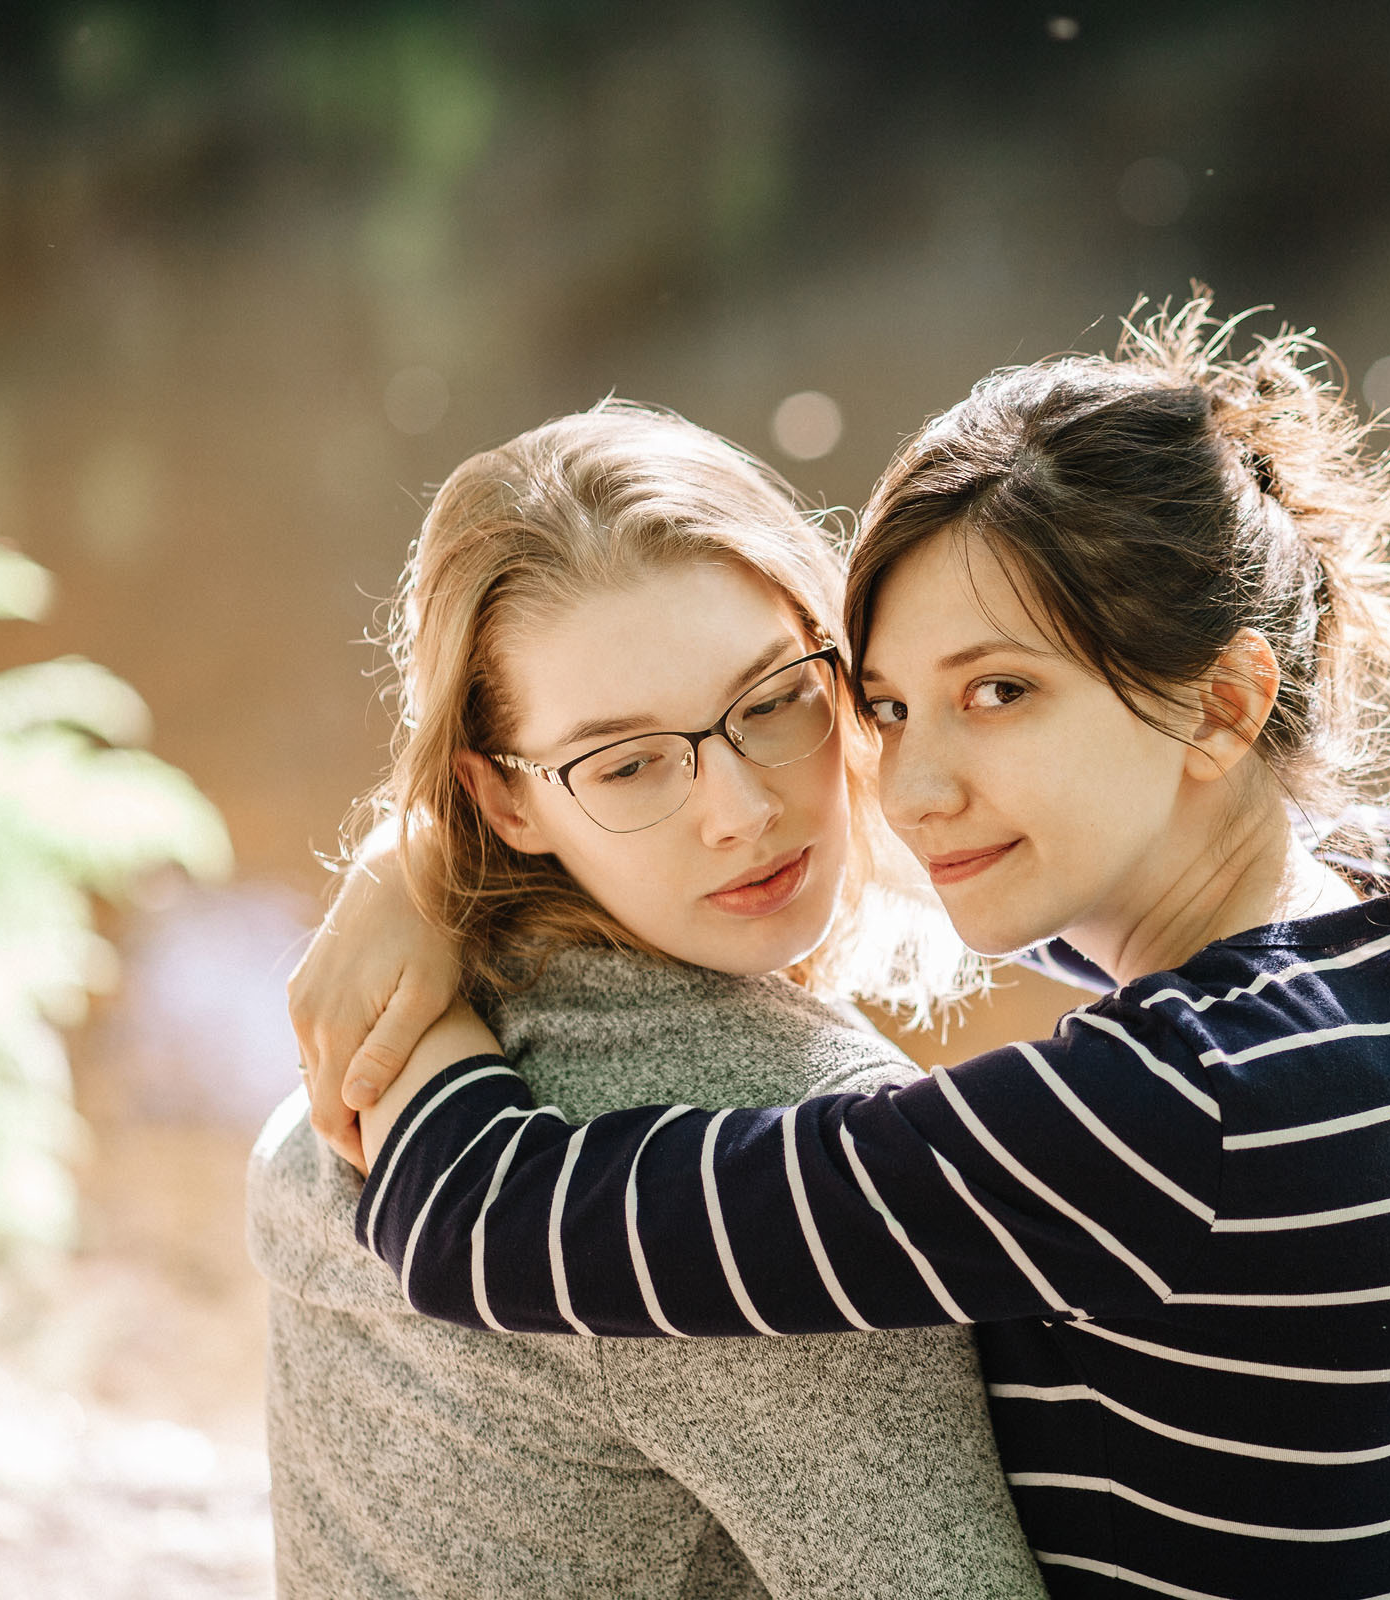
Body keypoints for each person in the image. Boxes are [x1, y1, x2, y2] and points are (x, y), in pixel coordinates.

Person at [300, 300, 1390, 1600]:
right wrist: (421, 858)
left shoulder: (1159, 1116)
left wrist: (418, 972)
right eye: (894, 705)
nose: (910, 789)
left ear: (1222, 703)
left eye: (1000, 691)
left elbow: (483, 1222)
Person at [245, 402, 1048, 1598]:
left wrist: (412, 861)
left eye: (774, 699)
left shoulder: (410, 1009)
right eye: (626, 764)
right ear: (504, 798)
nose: (737, 809)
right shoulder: (792, 1143)